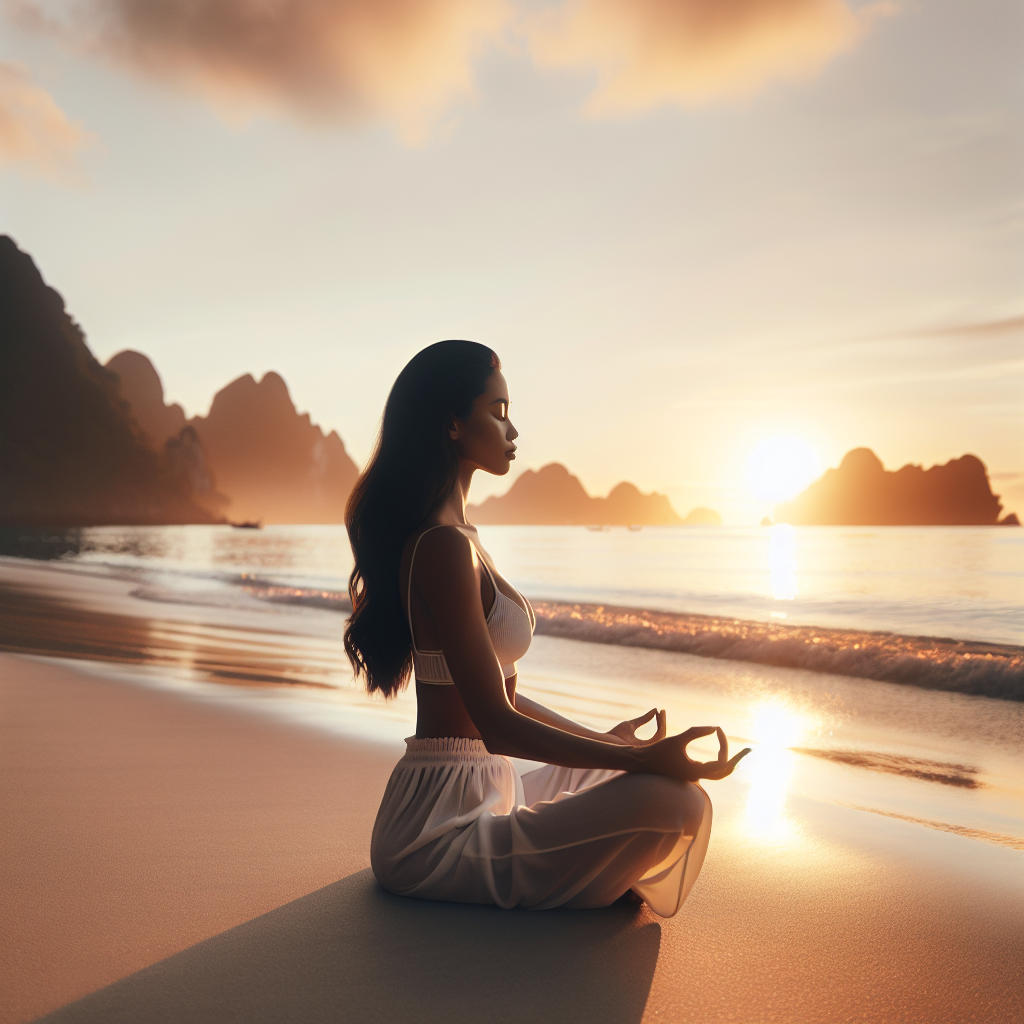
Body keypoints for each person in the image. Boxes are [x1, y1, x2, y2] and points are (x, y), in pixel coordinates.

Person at [344, 340, 749, 916]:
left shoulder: (462, 538)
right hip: (437, 828)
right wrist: (640, 762)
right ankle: (596, 871)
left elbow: (504, 696)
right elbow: (498, 726)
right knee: (671, 802)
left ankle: (594, 863)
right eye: (498, 411)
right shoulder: (440, 547)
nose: (512, 430)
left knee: (637, 783)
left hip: (487, 784)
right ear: (453, 424)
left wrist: (609, 744)